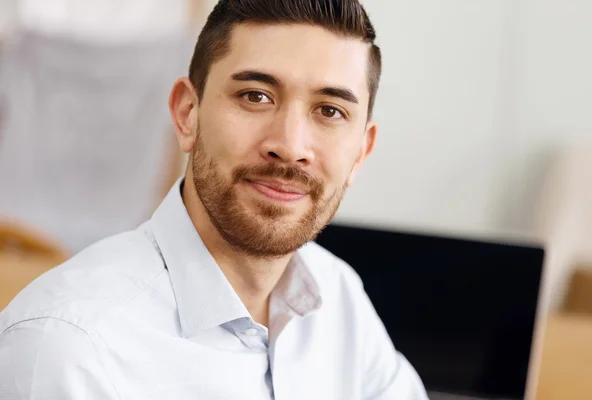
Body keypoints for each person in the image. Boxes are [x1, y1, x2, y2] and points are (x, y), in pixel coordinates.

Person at [0, 0, 429, 398]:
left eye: (330, 111)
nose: (290, 145)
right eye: (255, 96)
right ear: (187, 114)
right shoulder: (70, 345)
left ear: (361, 152)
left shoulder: (339, 297)